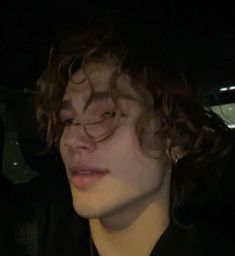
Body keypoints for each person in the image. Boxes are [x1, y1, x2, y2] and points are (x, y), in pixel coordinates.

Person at [35, 19, 234, 256]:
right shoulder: (35, 237)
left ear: (174, 140)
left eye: (107, 114)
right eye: (68, 120)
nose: (71, 140)